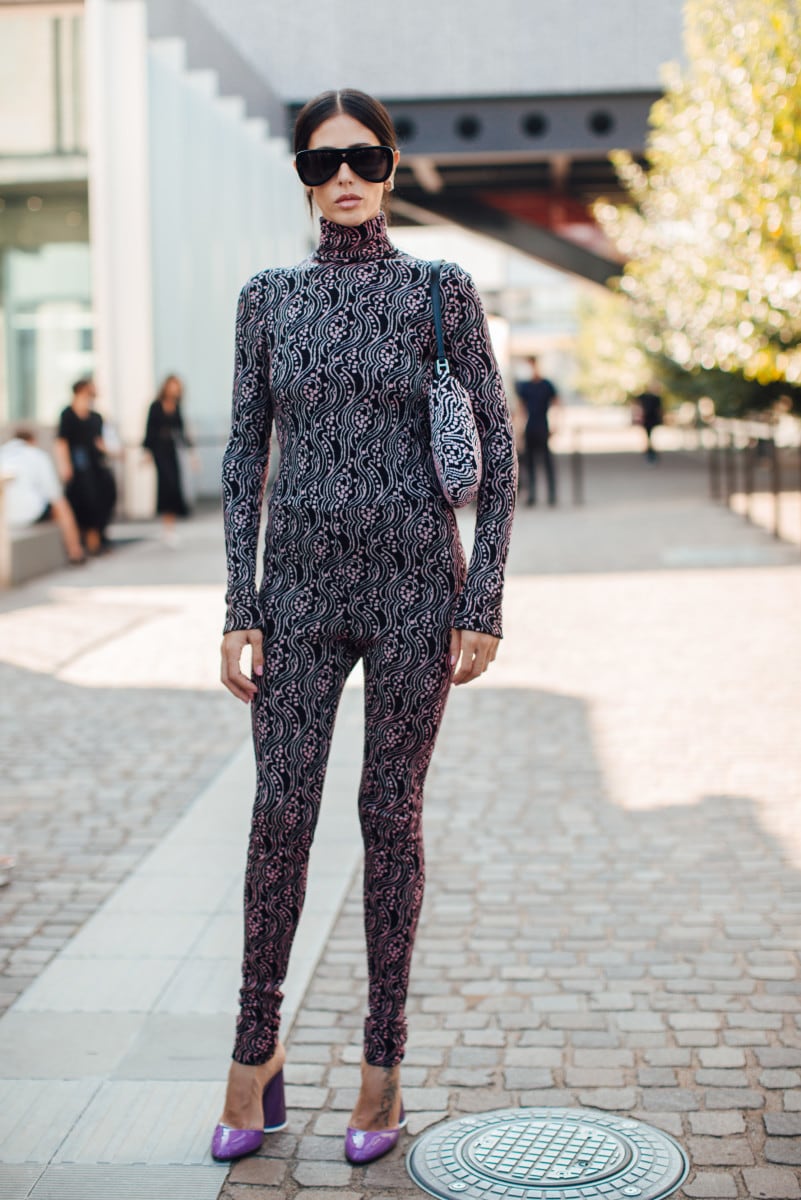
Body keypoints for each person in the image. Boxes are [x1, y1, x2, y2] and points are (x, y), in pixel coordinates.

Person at [213, 88, 517, 1167]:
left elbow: (499, 448)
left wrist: (480, 600)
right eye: (320, 161)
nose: (342, 175)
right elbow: (244, 459)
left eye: (363, 156)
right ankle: (254, 1053)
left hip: (411, 597)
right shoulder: (268, 300)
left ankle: (381, 1070)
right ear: (301, 174)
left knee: (389, 816)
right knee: (279, 813)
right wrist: (238, 608)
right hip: (295, 596)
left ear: (390, 167)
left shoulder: (441, 290)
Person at [0, 429, 85, 564]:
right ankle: (75, 551)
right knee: (61, 504)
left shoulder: (3, 453)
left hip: (4, 517)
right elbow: (55, 494)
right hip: (30, 513)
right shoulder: (37, 455)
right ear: (32, 441)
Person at [54, 379, 117, 554]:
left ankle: (97, 538)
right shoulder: (67, 414)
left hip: (96, 463)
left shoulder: (96, 417)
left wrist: (114, 452)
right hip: (78, 464)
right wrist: (64, 465)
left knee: (104, 495)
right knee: (83, 499)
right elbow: (61, 442)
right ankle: (86, 541)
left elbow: (100, 442)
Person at [143, 374, 193, 544]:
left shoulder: (177, 406)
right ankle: (167, 526)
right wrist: (147, 453)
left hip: (172, 450)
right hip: (159, 451)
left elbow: (182, 430)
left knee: (174, 486)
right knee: (165, 485)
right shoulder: (155, 406)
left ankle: (170, 527)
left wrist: (192, 453)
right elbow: (149, 430)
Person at [516, 355, 558, 506]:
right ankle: (532, 494)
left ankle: (552, 494)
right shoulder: (525, 386)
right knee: (531, 463)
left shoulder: (546, 384)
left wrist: (555, 424)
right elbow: (521, 409)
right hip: (530, 426)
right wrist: (519, 430)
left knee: (547, 462)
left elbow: (557, 404)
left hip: (542, 425)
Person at [634, 388, 663, 462]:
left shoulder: (656, 398)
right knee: (648, 435)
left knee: (649, 435)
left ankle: (649, 450)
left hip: (651, 420)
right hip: (647, 420)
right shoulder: (645, 397)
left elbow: (659, 409)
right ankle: (649, 450)